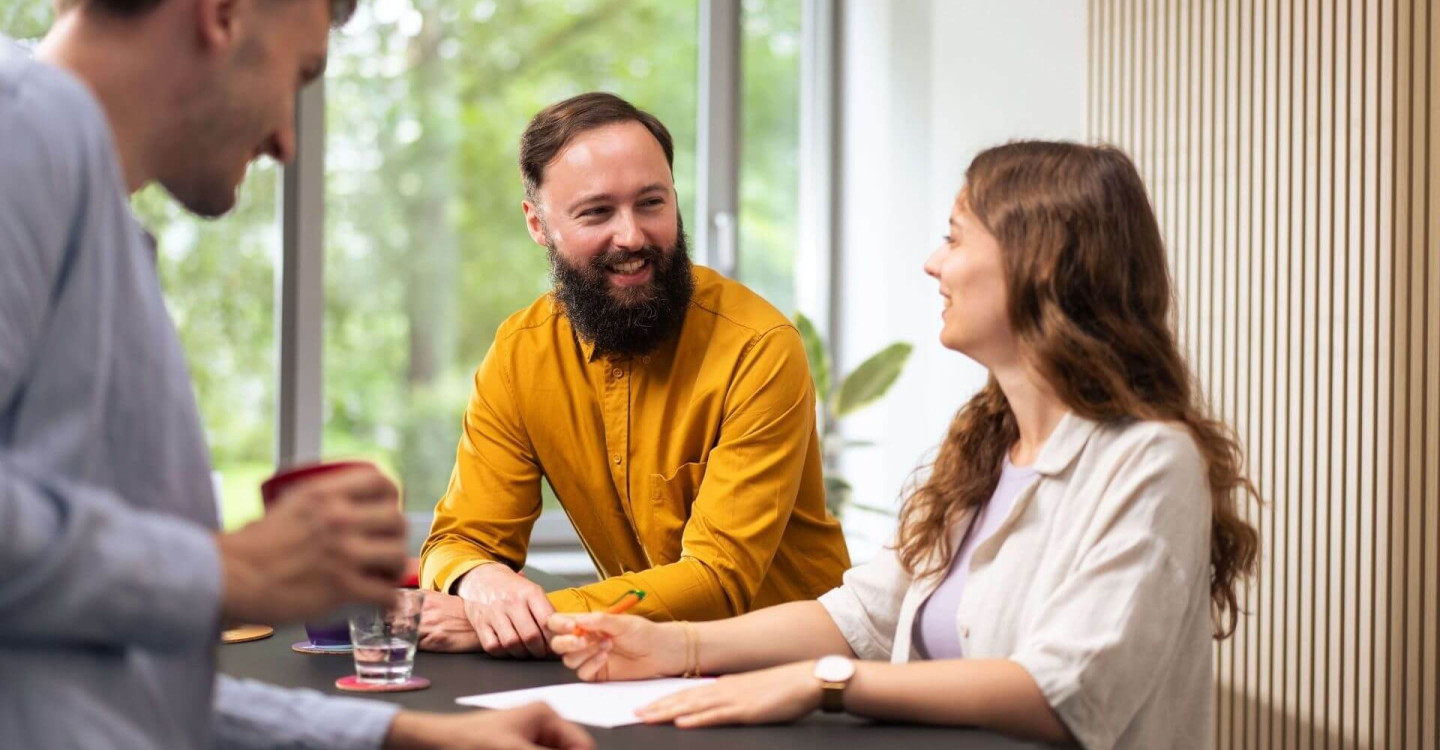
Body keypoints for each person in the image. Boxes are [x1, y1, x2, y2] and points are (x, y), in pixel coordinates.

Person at [0, 1, 591, 748]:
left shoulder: (93, 218)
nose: (285, 140)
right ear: (219, 15)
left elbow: (112, 692)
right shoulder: (18, 129)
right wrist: (227, 573)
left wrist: (398, 734)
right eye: (298, 75)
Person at [546, 141, 1262, 750]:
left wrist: (822, 685)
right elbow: (858, 616)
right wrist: (673, 646)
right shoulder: (987, 445)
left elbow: (1064, 689)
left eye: (954, 237)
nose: (932, 263)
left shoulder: (1151, 462)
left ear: (1039, 262)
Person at [416, 92, 850, 659]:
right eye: (597, 212)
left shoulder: (759, 348)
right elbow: (461, 539)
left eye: (651, 203)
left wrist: (533, 622)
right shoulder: (519, 354)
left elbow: (717, 579)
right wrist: (479, 584)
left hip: (799, 678)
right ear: (538, 224)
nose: (632, 237)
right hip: (640, 669)